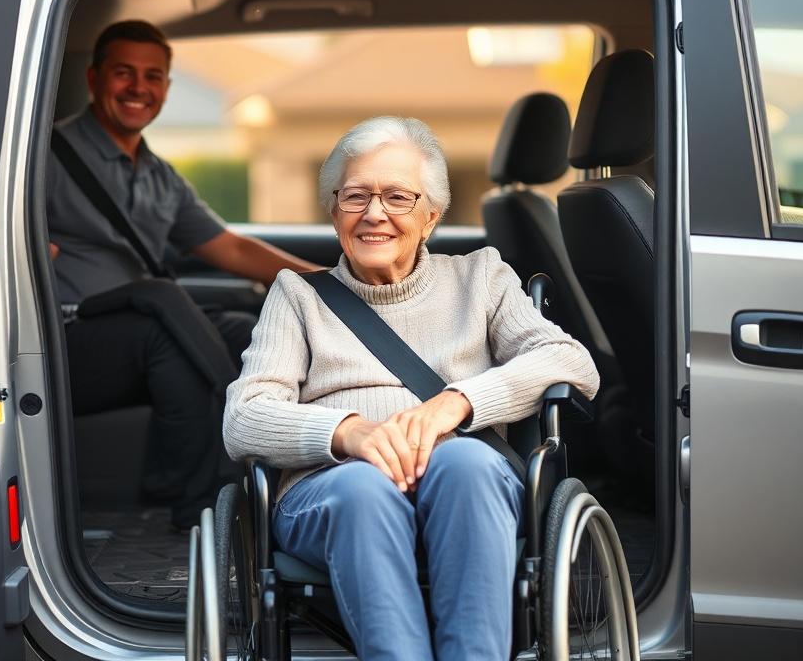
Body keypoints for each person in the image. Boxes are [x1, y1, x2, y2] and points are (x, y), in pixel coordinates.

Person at [224, 116, 599, 660]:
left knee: (464, 465)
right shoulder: (296, 297)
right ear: (334, 213)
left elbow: (571, 361)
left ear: (430, 217)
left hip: (466, 475)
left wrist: (458, 403)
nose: (375, 213)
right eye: (356, 196)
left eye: (398, 196)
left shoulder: (482, 278)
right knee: (362, 489)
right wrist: (348, 434)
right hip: (334, 490)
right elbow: (244, 417)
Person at [47, 20, 319, 529]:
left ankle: (273, 479)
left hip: (140, 328)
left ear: (166, 90)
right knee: (165, 330)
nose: (138, 88)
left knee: (246, 330)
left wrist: (329, 282)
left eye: (153, 77)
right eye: (123, 73)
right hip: (66, 341)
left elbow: (232, 249)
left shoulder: (160, 176)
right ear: (94, 78)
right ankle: (188, 510)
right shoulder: (45, 158)